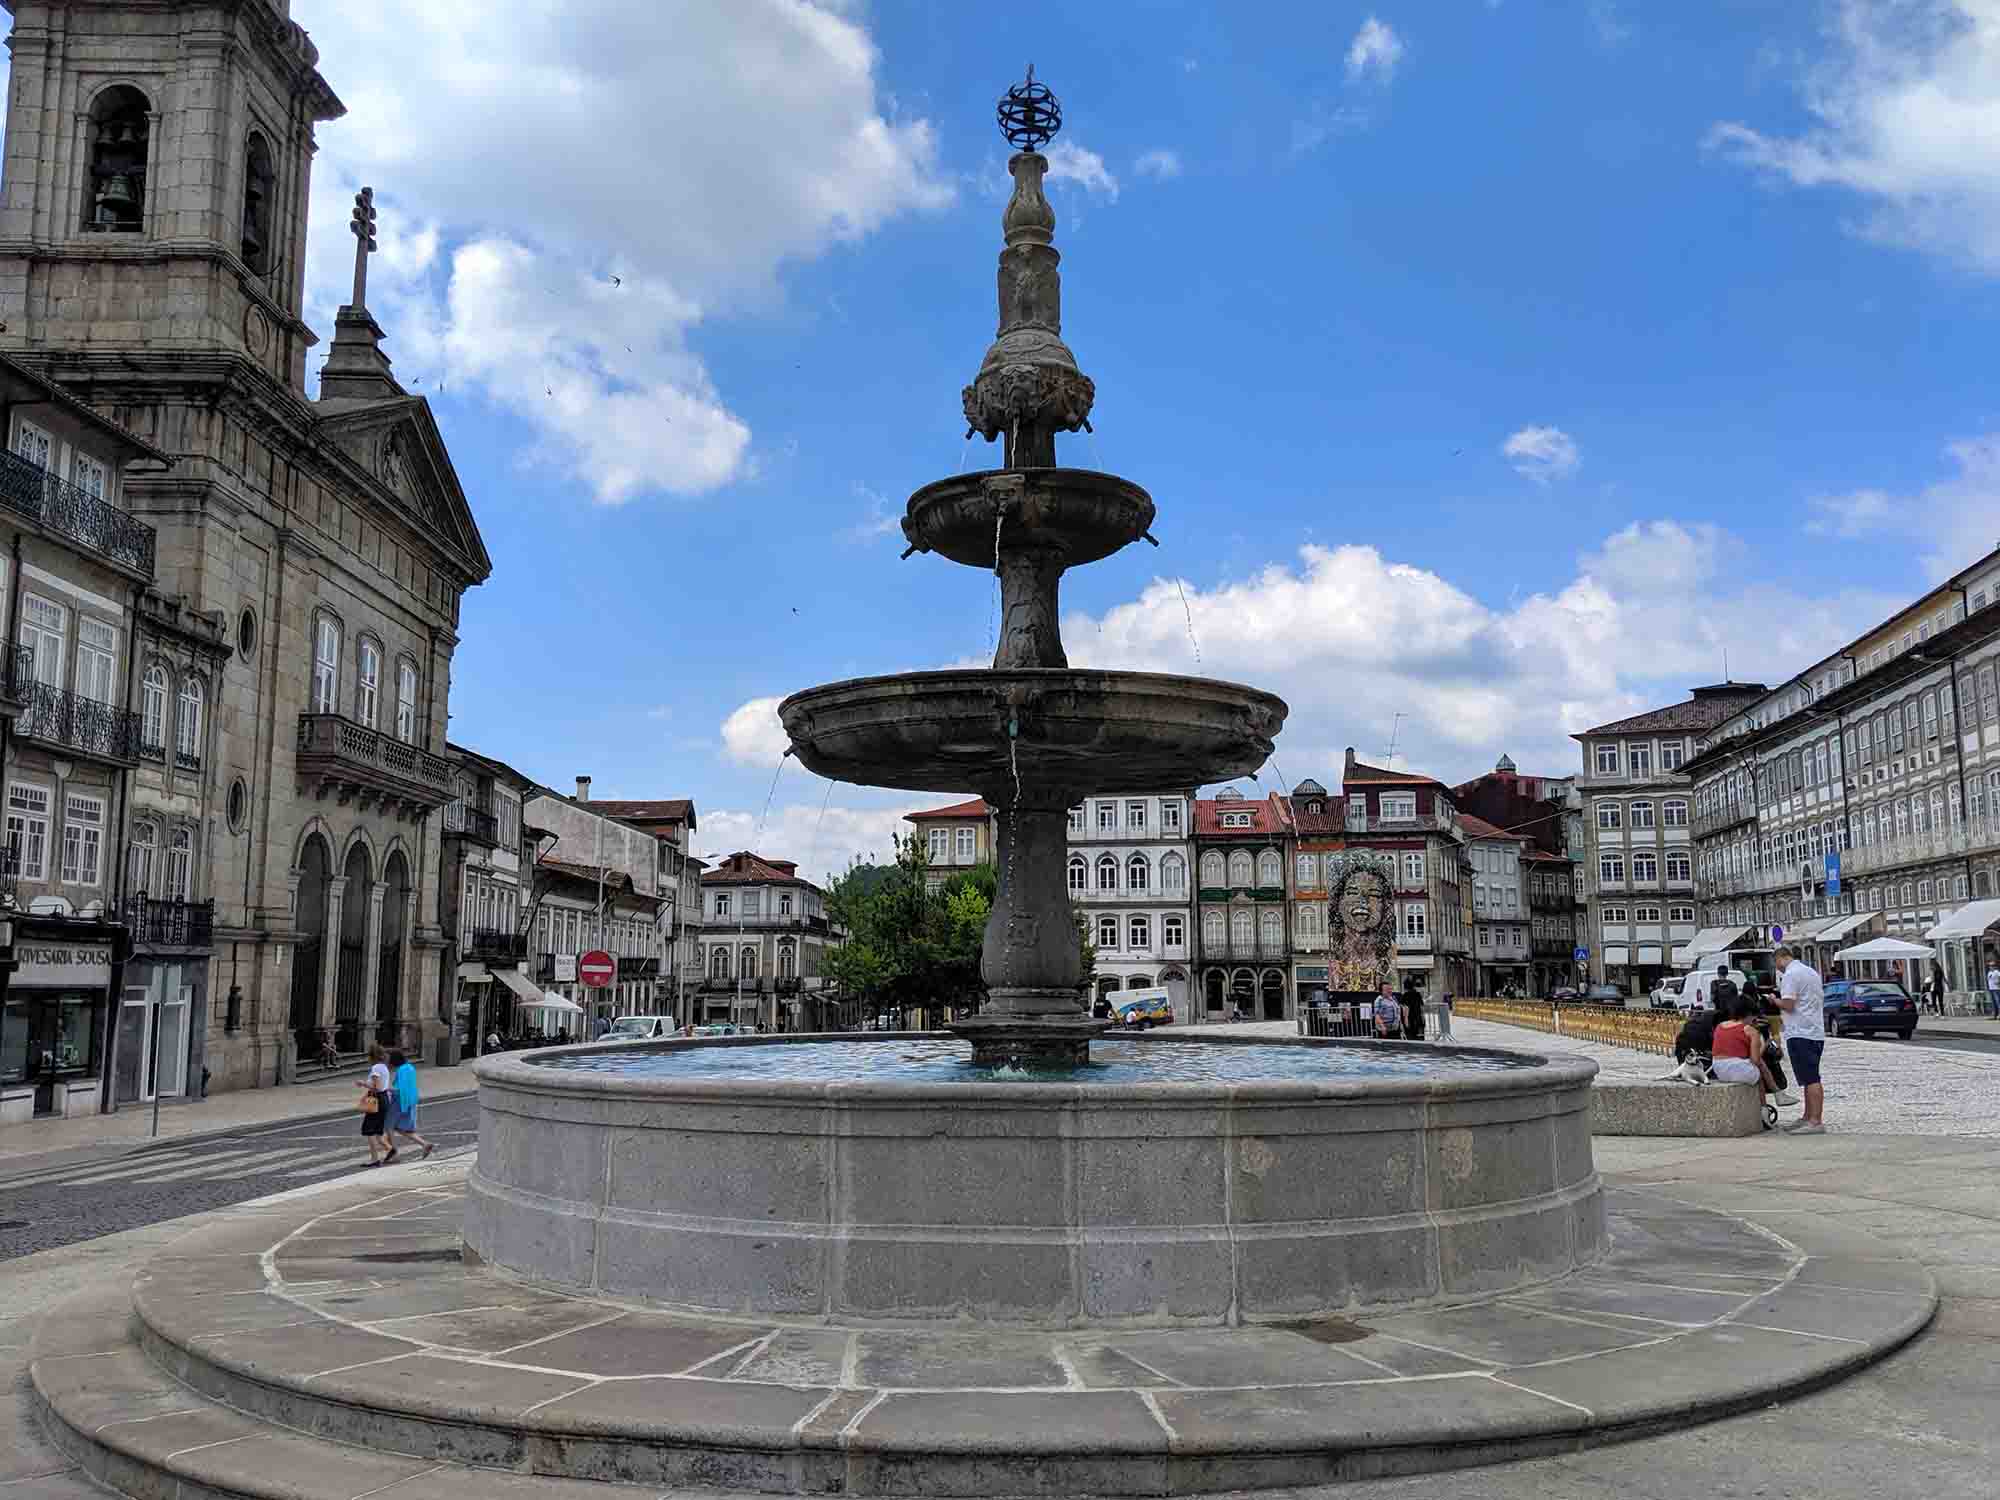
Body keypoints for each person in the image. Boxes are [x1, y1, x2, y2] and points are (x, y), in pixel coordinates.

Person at [1773, 945, 1826, 1134]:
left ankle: (1815, 1121)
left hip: (1800, 1031)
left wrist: (1772, 1000)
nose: (1777, 967)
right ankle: (1807, 1116)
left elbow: (1788, 1005)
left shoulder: (1790, 975)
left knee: (1811, 1078)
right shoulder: (1811, 972)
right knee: (1807, 1077)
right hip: (1814, 1030)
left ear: (1781, 958)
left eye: (1776, 963)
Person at [1710, 993, 1797, 1104]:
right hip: (1736, 1070)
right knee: (1759, 1073)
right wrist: (1764, 1045)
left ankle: (1778, 1095)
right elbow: (1755, 1060)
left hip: (1718, 1069)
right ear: (1749, 1014)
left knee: (1756, 1067)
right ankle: (1766, 1106)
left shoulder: (1720, 1026)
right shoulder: (1750, 1031)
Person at [385, 1049, 435, 1161]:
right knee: (401, 1128)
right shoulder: (410, 1067)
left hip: (399, 1101)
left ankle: (394, 1152)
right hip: (410, 1101)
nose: (388, 1061)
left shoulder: (401, 1070)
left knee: (388, 1126)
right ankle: (425, 1144)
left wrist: (386, 1088)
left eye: (389, 1059)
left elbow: (399, 1089)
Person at [357, 1042, 391, 1166]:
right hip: (384, 1098)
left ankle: (375, 1159)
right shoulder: (384, 1067)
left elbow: (376, 1086)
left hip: (377, 1099)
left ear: (372, 1056)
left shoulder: (376, 1068)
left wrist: (362, 1083)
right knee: (377, 1130)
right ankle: (391, 1150)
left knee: (369, 1129)